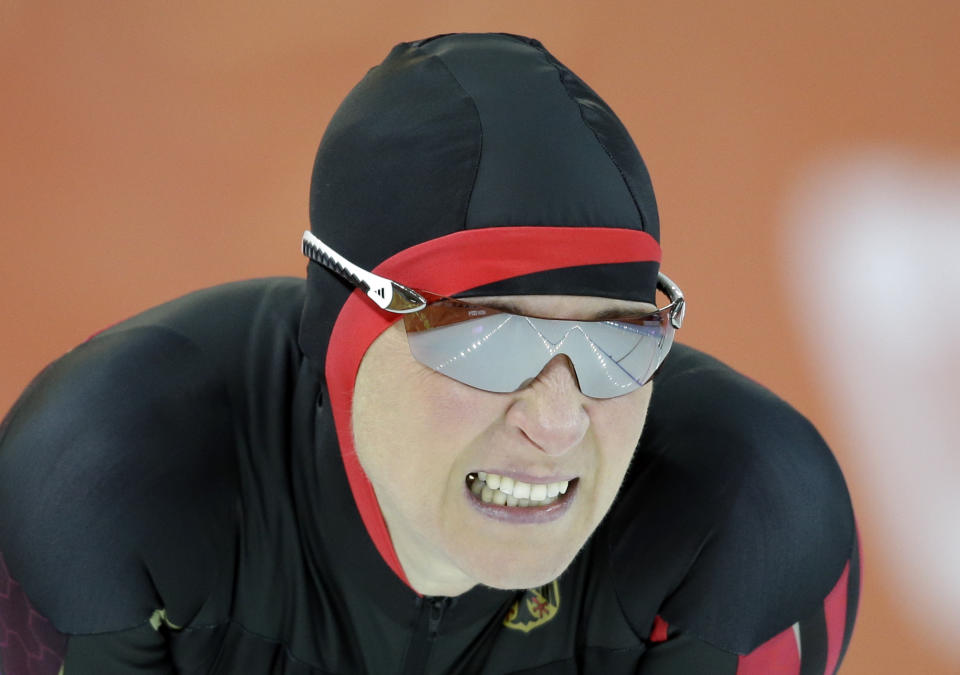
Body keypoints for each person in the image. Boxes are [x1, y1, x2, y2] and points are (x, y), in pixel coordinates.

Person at [0, 33, 859, 674]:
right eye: (486, 336)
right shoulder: (100, 483)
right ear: (339, 334)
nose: (558, 423)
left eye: (613, 336)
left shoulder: (749, 515)